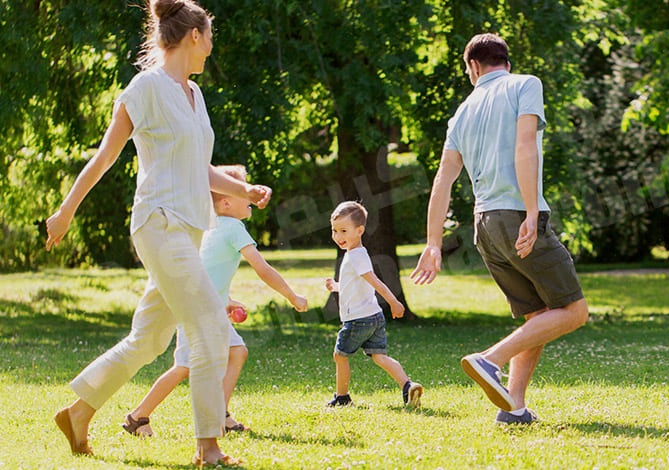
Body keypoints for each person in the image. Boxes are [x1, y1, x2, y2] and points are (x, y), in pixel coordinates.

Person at [45, 0, 269, 465]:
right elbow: (105, 155)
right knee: (209, 327)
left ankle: (79, 412)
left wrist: (242, 189)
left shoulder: (195, 94)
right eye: (209, 37)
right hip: (158, 223)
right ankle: (208, 445)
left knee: (149, 340)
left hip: (186, 230)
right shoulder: (146, 87)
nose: (211, 47)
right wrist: (65, 211)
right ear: (193, 36)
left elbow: (198, 167)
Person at [410, 33, 589, 425]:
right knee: (574, 311)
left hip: (485, 226)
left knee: (538, 314)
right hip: (516, 215)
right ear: (504, 60)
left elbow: (443, 180)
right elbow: (526, 146)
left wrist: (433, 243)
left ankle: (514, 408)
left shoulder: (462, 112)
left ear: (474, 67)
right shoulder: (526, 84)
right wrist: (530, 211)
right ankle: (489, 361)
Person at [122, 165, 308, 438]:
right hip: (196, 310)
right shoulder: (234, 227)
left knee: (237, 351)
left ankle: (220, 412)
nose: (250, 198)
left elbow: (207, 271)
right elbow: (262, 268)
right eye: (243, 190)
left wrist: (226, 300)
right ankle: (138, 416)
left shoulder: (209, 228)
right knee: (184, 366)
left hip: (206, 307)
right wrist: (292, 296)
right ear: (226, 201)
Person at [325, 201, 423, 408]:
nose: (338, 236)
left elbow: (374, 281)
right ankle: (407, 386)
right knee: (380, 357)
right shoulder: (356, 254)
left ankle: (342, 398)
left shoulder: (356, 255)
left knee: (339, 356)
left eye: (344, 230)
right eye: (335, 230)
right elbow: (355, 284)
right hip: (374, 317)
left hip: (358, 319)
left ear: (360, 230)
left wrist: (394, 302)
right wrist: (336, 286)